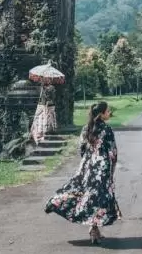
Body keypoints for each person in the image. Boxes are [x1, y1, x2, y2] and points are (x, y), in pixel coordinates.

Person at [44, 100, 122, 244]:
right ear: (101, 114)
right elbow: (113, 152)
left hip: (86, 166)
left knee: (80, 191)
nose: (109, 113)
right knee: (98, 198)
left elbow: (81, 148)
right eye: (108, 111)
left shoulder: (86, 128)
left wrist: (87, 162)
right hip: (102, 168)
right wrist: (111, 168)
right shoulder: (107, 129)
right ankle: (93, 230)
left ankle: (56, 202)